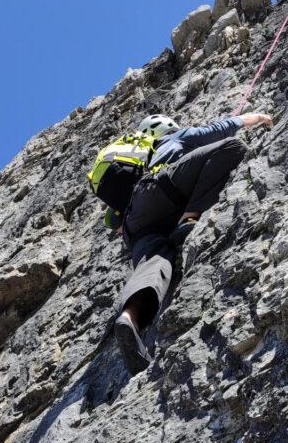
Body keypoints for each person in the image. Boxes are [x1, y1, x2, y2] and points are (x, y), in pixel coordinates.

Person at [109, 111, 273, 374]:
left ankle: (130, 318)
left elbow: (111, 220)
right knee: (233, 147)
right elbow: (223, 128)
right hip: (161, 191)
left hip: (135, 226)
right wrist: (257, 117)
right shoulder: (174, 137)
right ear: (166, 128)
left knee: (156, 263)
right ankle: (190, 217)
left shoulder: (133, 164)